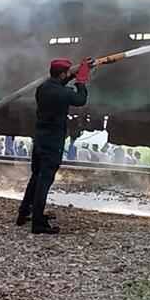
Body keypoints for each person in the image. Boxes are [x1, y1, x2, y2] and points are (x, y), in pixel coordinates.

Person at [16, 58, 90, 234]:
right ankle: (38, 223)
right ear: (63, 74)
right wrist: (81, 81)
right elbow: (80, 100)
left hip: (40, 138)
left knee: (36, 176)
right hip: (52, 140)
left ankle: (24, 213)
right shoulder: (59, 92)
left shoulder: (44, 88)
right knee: (45, 179)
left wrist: (73, 74)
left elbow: (60, 83)